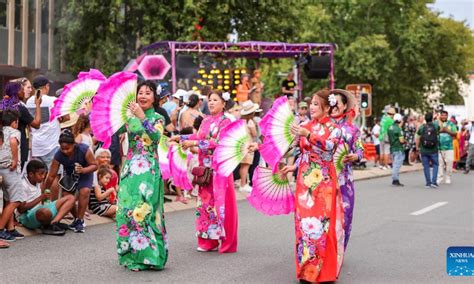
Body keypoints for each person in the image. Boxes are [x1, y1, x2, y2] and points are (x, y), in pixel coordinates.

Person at [281, 89, 344, 283]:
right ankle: (306, 271)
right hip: (304, 182)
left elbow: (329, 147)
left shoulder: (334, 128)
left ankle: (323, 272)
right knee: (304, 226)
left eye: (316, 104)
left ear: (327, 107)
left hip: (323, 182)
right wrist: (292, 165)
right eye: (311, 104)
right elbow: (298, 151)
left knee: (321, 226)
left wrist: (308, 134)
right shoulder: (304, 125)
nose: (312, 107)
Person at [172, 89, 239, 253]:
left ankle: (225, 240)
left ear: (224, 104)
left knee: (220, 205)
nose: (211, 103)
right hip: (204, 171)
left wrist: (193, 145)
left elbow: (218, 143)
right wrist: (181, 138)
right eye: (210, 100)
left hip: (219, 170)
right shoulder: (205, 120)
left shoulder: (226, 122)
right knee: (205, 205)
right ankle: (208, 241)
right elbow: (198, 137)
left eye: (215, 100)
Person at [116, 80, 168, 271]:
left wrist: (142, 117)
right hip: (130, 170)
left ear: (155, 98)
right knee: (128, 211)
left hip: (148, 171)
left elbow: (155, 137)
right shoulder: (129, 118)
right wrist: (88, 112)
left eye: (148, 93)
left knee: (145, 212)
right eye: (140, 92)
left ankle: (151, 257)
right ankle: (131, 255)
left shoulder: (158, 118)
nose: (143, 96)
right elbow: (111, 131)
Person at [43, 129, 97, 233]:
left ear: (74, 144)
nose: (65, 151)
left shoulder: (83, 149)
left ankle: (80, 220)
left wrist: (83, 170)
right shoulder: (58, 154)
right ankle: (77, 218)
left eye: (67, 148)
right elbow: (51, 176)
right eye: (62, 149)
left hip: (85, 172)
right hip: (70, 176)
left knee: (84, 191)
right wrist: (45, 190)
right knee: (67, 196)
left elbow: (95, 165)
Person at [329, 89, 363, 249]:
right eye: (331, 102)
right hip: (323, 180)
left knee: (345, 216)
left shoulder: (353, 130)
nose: (334, 106)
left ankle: (339, 249)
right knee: (324, 216)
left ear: (344, 107)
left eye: (337, 103)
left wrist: (355, 156)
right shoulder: (319, 127)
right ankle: (325, 251)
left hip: (344, 181)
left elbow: (359, 150)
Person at [17, 159, 75, 235]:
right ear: (31, 174)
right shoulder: (23, 185)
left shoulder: (38, 182)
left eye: (44, 174)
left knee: (70, 198)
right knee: (45, 212)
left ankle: (54, 223)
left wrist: (46, 200)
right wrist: (40, 198)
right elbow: (21, 209)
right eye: (40, 174)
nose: (43, 176)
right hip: (27, 216)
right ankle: (47, 224)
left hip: (41, 209)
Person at [1, 81, 42, 170]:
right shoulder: (20, 108)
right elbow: (37, 124)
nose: (23, 92)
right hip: (18, 149)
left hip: (3, 150)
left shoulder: (3, 106)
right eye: (21, 90)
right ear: (16, 93)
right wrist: (38, 104)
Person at [0, 110, 26, 242]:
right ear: (14, 122)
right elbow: (13, 142)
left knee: (8, 199)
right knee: (16, 200)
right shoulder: (14, 132)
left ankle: (9, 228)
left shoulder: (1, 130)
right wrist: (15, 160)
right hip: (10, 169)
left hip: (1, 168)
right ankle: (0, 229)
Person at [238, 100, 261, 193]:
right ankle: (243, 184)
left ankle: (243, 183)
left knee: (243, 165)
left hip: (242, 144)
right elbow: (255, 134)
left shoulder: (242, 121)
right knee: (246, 165)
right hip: (249, 145)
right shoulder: (250, 122)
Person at [416, 112, 440, 188]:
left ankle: (428, 183)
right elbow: (441, 128)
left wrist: (417, 147)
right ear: (432, 118)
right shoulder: (435, 126)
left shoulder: (422, 127)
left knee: (426, 166)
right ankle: (434, 182)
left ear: (425, 119)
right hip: (434, 149)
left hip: (424, 149)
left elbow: (418, 137)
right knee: (435, 165)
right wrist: (437, 118)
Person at [434, 110, 457, 184]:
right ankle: (440, 177)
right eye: (442, 115)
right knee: (440, 163)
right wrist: (440, 130)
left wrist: (447, 130)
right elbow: (433, 132)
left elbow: (455, 134)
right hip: (439, 147)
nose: (443, 116)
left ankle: (448, 177)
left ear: (447, 116)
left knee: (449, 162)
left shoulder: (451, 124)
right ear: (440, 115)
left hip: (449, 147)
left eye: (445, 115)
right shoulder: (436, 123)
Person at [388, 113, 406, 187]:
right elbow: (401, 141)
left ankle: (395, 179)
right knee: (397, 165)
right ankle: (395, 180)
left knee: (394, 164)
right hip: (398, 148)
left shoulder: (390, 128)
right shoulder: (398, 129)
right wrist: (405, 141)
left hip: (392, 148)